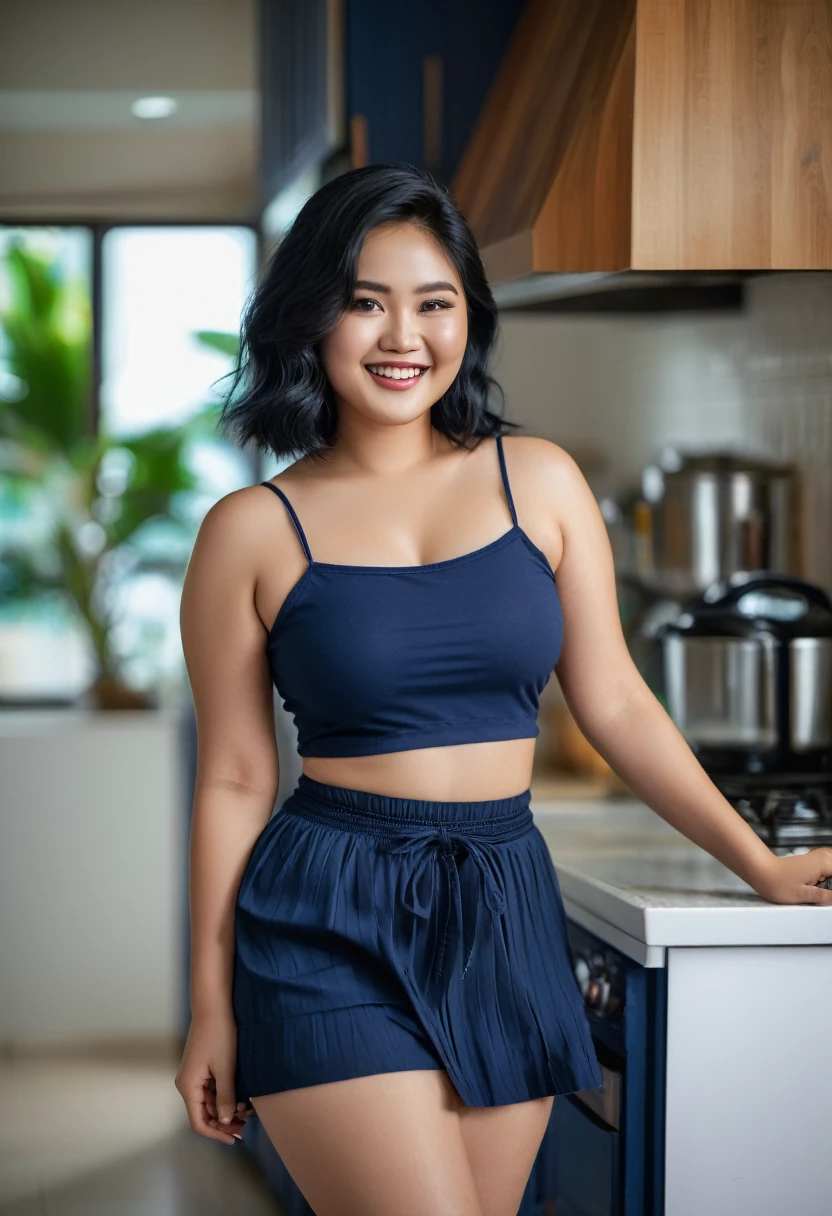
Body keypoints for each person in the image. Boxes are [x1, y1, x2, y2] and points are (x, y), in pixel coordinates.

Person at [175, 162, 832, 1216]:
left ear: (466, 320)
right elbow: (237, 780)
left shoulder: (544, 481)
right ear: (312, 315)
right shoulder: (249, 531)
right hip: (327, 908)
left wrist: (755, 860)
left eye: (433, 304)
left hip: (502, 896)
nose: (403, 337)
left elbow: (614, 701)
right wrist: (211, 1004)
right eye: (365, 302)